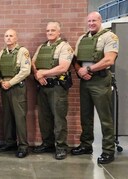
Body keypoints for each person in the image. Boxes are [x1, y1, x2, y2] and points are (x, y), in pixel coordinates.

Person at [71, 12, 119, 164]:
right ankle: (86, 145)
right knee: (85, 116)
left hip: (100, 80)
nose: (91, 23)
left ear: (100, 21)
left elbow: (109, 59)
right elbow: (75, 59)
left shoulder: (109, 37)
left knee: (105, 118)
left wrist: (89, 70)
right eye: (89, 21)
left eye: (94, 20)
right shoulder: (82, 38)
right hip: (84, 81)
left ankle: (108, 150)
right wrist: (79, 70)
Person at [32, 21, 73, 160]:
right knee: (44, 118)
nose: (50, 32)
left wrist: (44, 73)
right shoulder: (42, 47)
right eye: (48, 30)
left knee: (59, 118)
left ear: (59, 32)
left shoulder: (64, 47)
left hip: (57, 87)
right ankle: (47, 143)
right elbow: (33, 62)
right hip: (43, 86)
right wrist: (38, 75)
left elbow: (64, 67)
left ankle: (61, 147)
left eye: (53, 30)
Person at [0, 29, 31, 158]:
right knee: (7, 117)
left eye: (11, 36)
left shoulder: (23, 51)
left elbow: (25, 71)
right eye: (6, 36)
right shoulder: (2, 53)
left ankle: (23, 146)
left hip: (17, 89)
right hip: (4, 88)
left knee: (19, 118)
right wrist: (0, 81)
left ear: (16, 38)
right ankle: (9, 142)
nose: (8, 38)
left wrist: (10, 82)